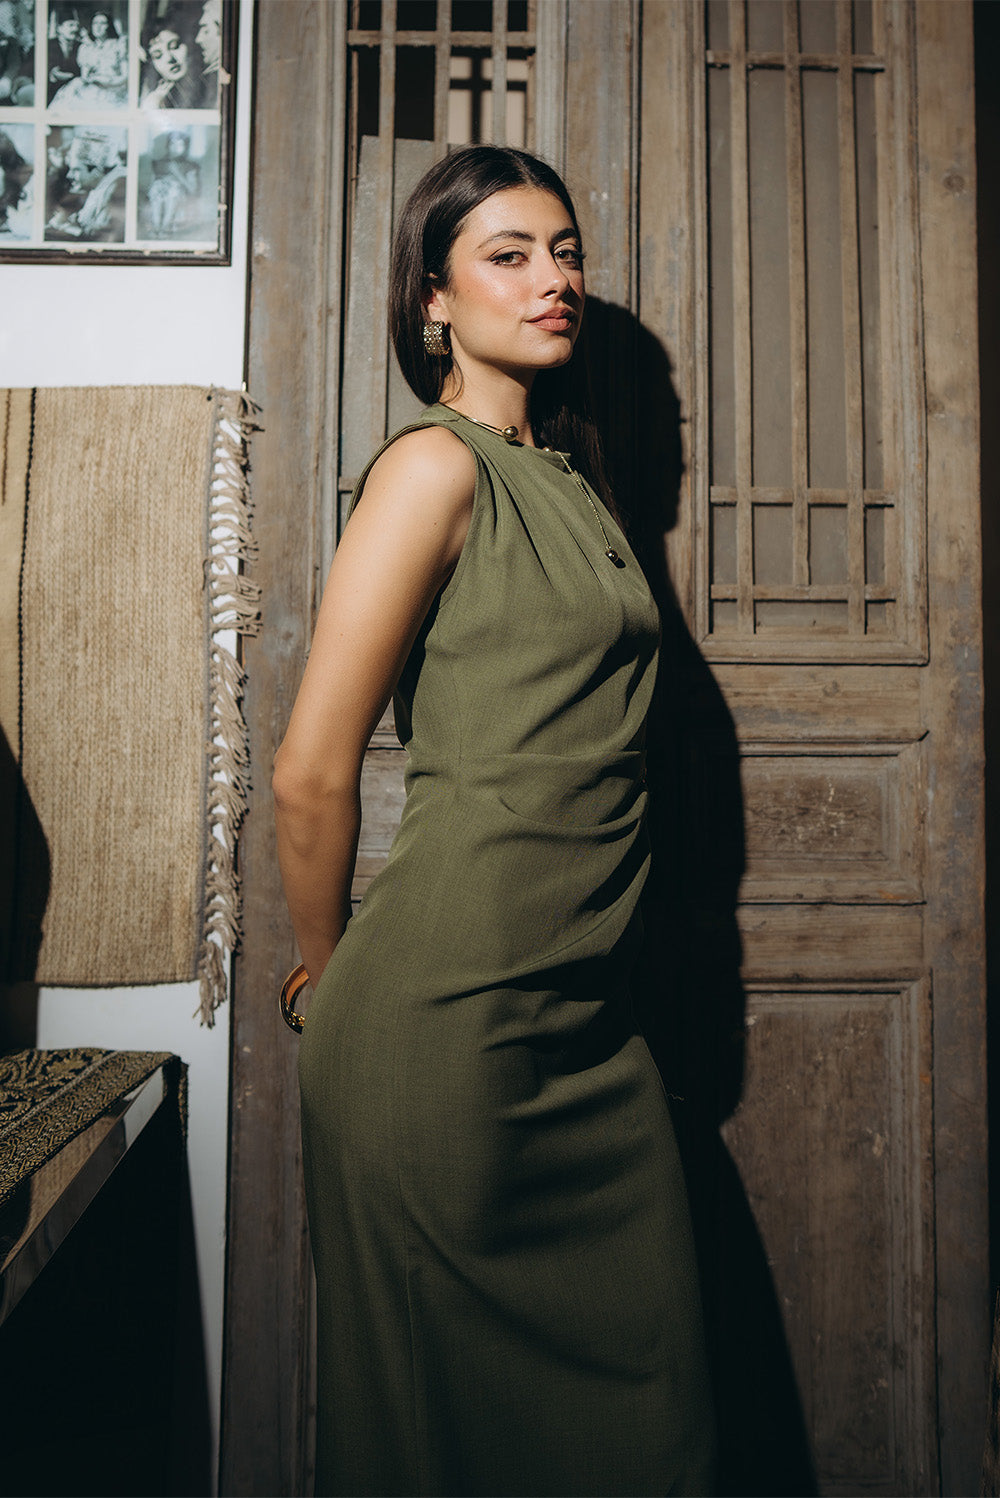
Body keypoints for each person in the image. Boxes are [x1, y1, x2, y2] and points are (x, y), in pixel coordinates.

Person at [275, 145, 715, 1497]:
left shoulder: (571, 480)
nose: (553, 278)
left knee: (653, 1423)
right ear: (434, 298)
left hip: (585, 1027)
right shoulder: (430, 469)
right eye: (508, 255)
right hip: (444, 1036)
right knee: (435, 1445)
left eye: (564, 251)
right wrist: (327, 976)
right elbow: (311, 771)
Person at [49, 6, 126, 107]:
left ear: (109, 26)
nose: (98, 27)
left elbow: (126, 76)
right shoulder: (86, 48)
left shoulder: (119, 45)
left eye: (102, 23)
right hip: (91, 90)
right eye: (95, 23)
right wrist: (91, 79)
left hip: (114, 91)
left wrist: (107, 81)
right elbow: (85, 76)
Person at [139, 5, 213, 109]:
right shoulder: (156, 100)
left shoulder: (211, 81)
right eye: (157, 55)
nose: (169, 58)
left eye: (174, 46)